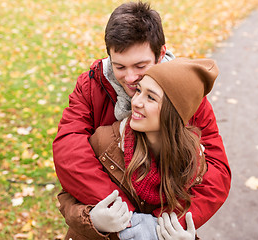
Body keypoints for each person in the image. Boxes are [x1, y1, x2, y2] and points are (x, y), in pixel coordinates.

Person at [53, 1, 231, 238]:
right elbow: (69, 149)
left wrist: (163, 226)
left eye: (140, 66)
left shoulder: (184, 93)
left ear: (161, 53)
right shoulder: (91, 86)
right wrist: (126, 216)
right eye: (119, 67)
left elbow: (216, 169)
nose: (130, 78)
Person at [58, 57, 218, 240]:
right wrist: (93, 220)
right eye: (139, 91)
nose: (135, 102)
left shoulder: (193, 163)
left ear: (173, 112)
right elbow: (67, 197)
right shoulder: (106, 142)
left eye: (150, 97)